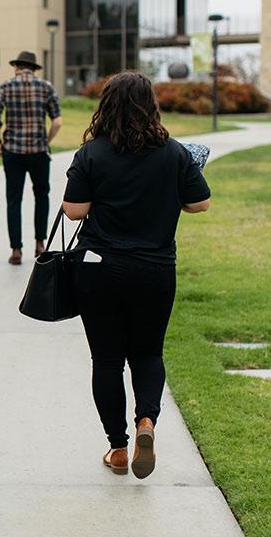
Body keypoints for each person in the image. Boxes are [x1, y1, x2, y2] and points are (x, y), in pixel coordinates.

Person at [62, 71, 211, 479]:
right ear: (151, 105)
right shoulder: (174, 153)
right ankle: (147, 422)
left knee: (106, 360)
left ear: (106, 105)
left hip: (100, 270)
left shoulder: (92, 153)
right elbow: (201, 204)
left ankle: (118, 448)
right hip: (155, 270)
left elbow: (73, 211)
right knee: (148, 352)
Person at [0, 50, 62, 265]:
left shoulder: (6, 86)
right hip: (38, 151)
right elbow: (57, 121)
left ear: (16, 67)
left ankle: (16, 250)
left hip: (13, 152)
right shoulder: (46, 87)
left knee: (14, 199)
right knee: (41, 196)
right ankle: (40, 244)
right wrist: (47, 140)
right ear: (33, 68)